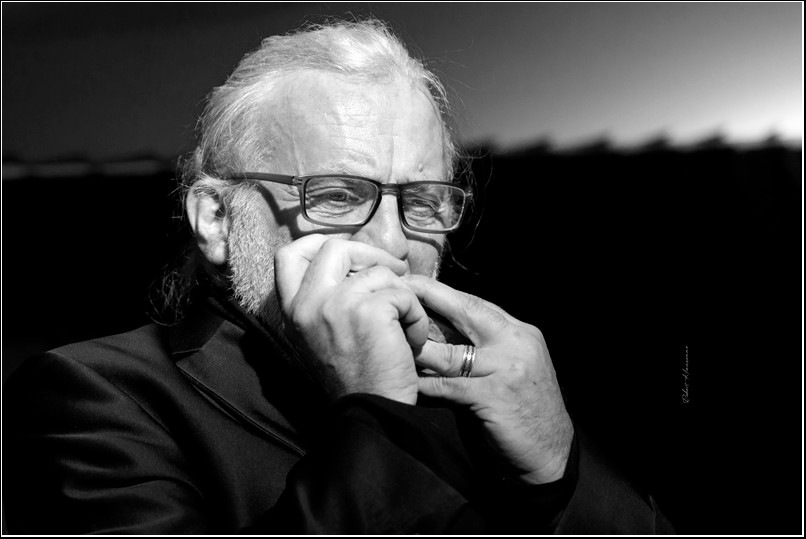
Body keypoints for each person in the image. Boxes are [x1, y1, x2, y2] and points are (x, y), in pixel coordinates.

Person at [3, 19, 673, 534]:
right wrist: (381, 415)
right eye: (337, 196)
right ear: (217, 218)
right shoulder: (93, 400)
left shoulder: (477, 408)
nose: (392, 243)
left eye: (422, 201)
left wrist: (558, 469)